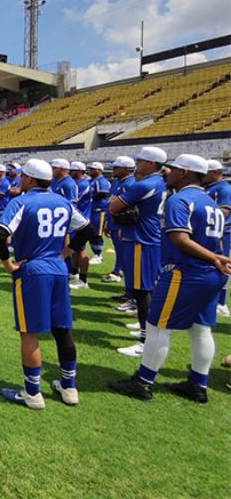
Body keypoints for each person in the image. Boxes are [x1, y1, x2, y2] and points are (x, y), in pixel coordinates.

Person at [108, 154, 231, 403]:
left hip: (186, 271)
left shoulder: (181, 199)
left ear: (185, 172)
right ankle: (198, 383)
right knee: (201, 329)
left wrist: (212, 258)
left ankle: (143, 382)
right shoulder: (209, 201)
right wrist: (215, 259)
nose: (168, 172)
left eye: (173, 169)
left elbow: (180, 239)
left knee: (157, 326)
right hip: (210, 274)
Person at [0, 158, 94, 410]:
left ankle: (32, 393)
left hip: (33, 270)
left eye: (21, 177)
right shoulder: (62, 202)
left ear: (28, 179)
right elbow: (88, 230)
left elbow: (0, 234)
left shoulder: (21, 202)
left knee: (30, 333)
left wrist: (8, 265)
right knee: (63, 329)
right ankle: (69, 387)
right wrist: (67, 252)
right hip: (59, 270)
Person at [109, 146, 167, 357]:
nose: (137, 165)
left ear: (151, 163)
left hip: (141, 239)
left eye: (141, 161)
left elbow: (114, 206)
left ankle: (146, 340)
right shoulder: (159, 181)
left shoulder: (146, 184)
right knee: (145, 289)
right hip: (149, 237)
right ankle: (147, 329)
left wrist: (114, 203)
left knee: (142, 291)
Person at [103, 157, 136, 305]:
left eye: (117, 167)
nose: (114, 170)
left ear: (126, 168)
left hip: (124, 226)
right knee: (122, 255)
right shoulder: (117, 182)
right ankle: (127, 292)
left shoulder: (131, 183)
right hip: (115, 224)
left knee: (128, 260)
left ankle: (131, 294)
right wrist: (108, 223)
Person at [204, 159, 231, 317]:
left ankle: (221, 303)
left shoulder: (224, 189)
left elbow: (224, 211)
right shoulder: (210, 187)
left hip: (220, 233)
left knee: (221, 263)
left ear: (215, 173)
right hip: (210, 232)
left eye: (206, 172)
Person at [68, 161, 92, 290]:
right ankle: (75, 273)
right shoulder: (77, 184)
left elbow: (75, 201)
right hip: (77, 221)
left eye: (73, 170)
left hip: (82, 221)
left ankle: (84, 280)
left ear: (79, 171)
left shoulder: (84, 184)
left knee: (81, 249)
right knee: (75, 249)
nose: (70, 172)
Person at [87, 162, 111, 266]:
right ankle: (95, 253)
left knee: (97, 233)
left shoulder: (102, 181)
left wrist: (91, 198)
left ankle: (98, 255)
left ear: (99, 170)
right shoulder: (91, 181)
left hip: (99, 210)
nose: (90, 171)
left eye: (93, 169)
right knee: (91, 234)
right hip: (92, 210)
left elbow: (103, 193)